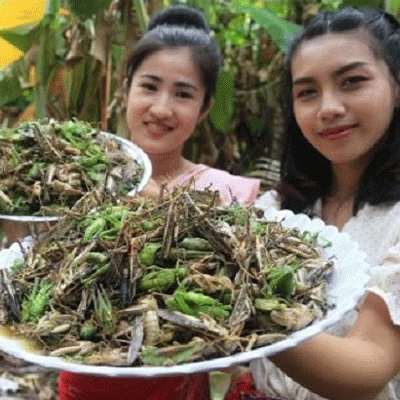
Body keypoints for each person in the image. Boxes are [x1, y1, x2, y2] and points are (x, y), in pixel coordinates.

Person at [56, 5, 260, 400]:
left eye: (183, 94)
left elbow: (236, 315)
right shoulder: (78, 179)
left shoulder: (225, 193)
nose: (162, 108)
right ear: (125, 89)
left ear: (203, 109)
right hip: (82, 384)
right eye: (149, 86)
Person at [225, 6, 400, 400]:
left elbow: (369, 366)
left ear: (397, 85)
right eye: (307, 92)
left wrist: (239, 307)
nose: (328, 108)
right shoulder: (274, 212)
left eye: (352, 81)